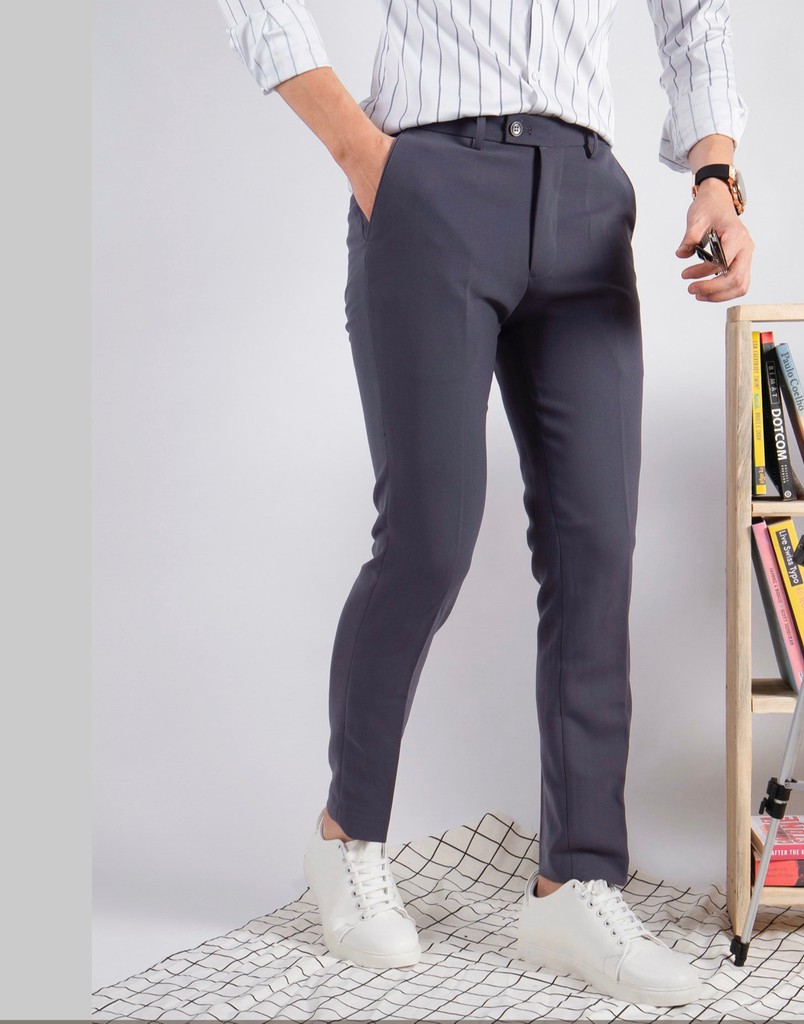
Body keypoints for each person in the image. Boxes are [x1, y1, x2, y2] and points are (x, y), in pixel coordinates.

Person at [215, 0, 753, 1007]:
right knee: (429, 538)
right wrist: (362, 152)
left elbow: (694, 19)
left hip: (587, 195)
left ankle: (575, 882)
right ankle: (347, 836)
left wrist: (716, 177)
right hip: (428, 181)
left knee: (597, 547)